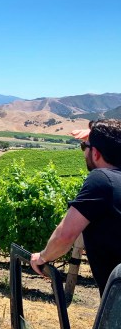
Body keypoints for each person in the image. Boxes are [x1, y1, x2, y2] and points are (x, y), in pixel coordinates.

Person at [30, 119, 121, 296]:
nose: (83, 152)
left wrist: (42, 257)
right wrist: (96, 138)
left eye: (83, 147)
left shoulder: (101, 180)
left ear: (95, 153)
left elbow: (65, 236)